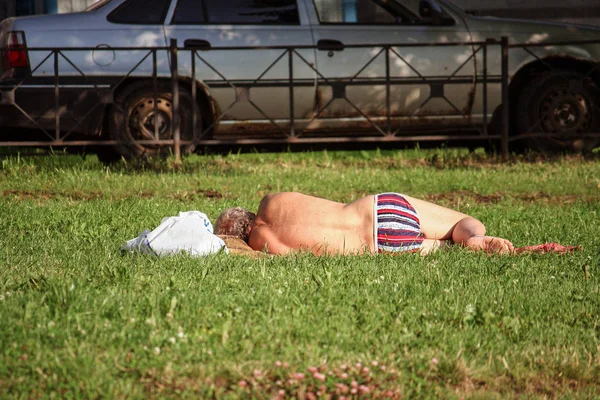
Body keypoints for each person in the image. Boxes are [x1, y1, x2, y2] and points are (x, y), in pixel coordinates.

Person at [214, 192, 514, 256]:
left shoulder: (263, 245)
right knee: (462, 222)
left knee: (446, 250)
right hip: (378, 208)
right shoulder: (271, 200)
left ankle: (466, 248)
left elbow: (295, 256)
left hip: (381, 245)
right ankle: (475, 237)